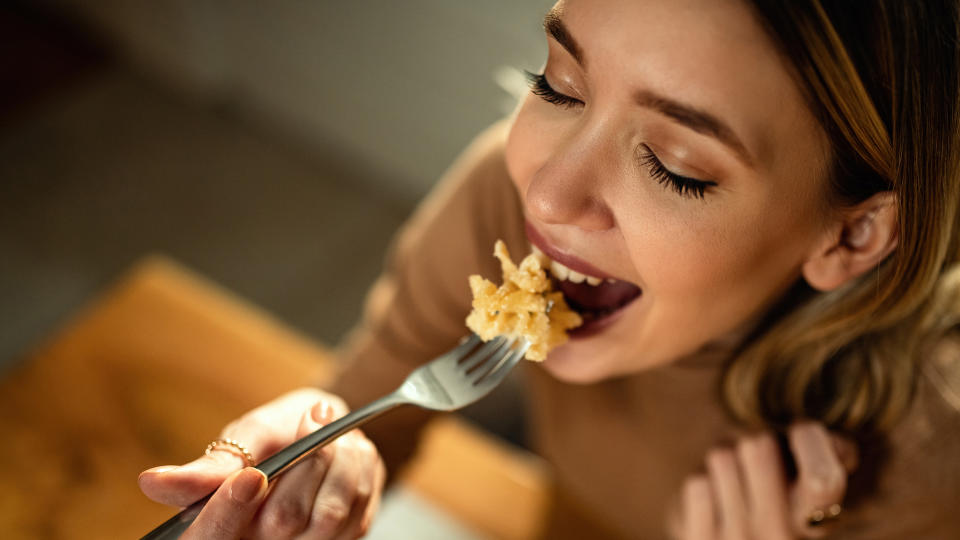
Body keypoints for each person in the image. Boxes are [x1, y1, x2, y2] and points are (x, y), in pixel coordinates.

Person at [137, 1, 960, 538]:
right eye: (559, 85)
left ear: (851, 237)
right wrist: (318, 462)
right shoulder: (504, 197)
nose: (550, 194)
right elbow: (371, 406)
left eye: (675, 167)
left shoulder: (931, 442)